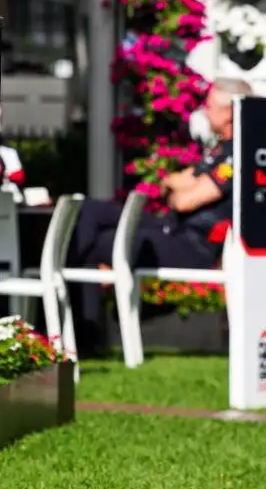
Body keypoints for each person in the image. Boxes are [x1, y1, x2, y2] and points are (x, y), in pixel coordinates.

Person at [64, 77, 252, 353]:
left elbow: (185, 200)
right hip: (172, 230)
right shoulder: (220, 150)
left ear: (230, 112)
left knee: (94, 244)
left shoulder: (238, 153)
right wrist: (178, 189)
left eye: (210, 106)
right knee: (90, 211)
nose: (204, 111)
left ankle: (79, 324)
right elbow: (175, 180)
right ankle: (84, 327)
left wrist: (178, 193)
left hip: (190, 246)